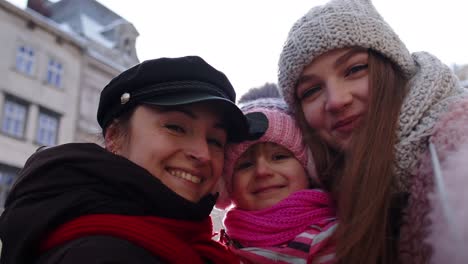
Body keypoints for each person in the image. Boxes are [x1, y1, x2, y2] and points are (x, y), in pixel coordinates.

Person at [0, 56, 250, 264]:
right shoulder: (102, 255)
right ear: (115, 137)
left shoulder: (189, 242)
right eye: (176, 127)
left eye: (216, 140)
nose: (203, 154)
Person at [277, 0, 468, 263]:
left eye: (355, 69)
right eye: (311, 91)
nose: (336, 100)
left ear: (392, 67)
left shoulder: (454, 145)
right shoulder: (329, 187)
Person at [216, 97, 337, 264]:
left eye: (279, 157)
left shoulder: (334, 239)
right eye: (245, 165)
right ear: (227, 187)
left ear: (309, 168)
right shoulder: (219, 249)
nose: (262, 171)